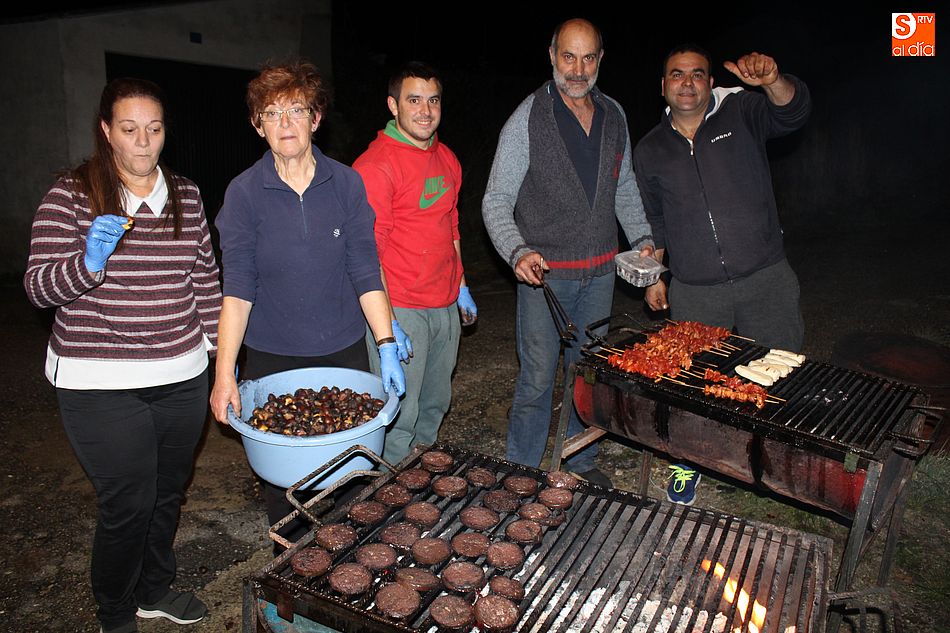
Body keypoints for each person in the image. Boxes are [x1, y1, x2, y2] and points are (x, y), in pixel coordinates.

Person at [24, 78, 220, 633]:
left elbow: (204, 280)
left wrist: (216, 360)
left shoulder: (187, 194)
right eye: (129, 130)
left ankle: (154, 589)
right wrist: (87, 264)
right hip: (98, 381)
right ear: (107, 131)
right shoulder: (69, 194)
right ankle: (114, 613)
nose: (143, 143)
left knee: (166, 495)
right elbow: (38, 288)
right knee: (128, 502)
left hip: (181, 374)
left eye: (154, 129)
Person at [210, 59, 407, 545]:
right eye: (272, 113)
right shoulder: (244, 194)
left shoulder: (345, 184)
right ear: (258, 126)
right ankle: (291, 577)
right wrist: (224, 374)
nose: (285, 124)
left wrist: (384, 342)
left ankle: (347, 569)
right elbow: (237, 290)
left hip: (342, 350)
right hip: (275, 357)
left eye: (296, 110)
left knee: (350, 480)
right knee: (286, 487)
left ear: (315, 118)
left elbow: (365, 268)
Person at [633, 45, 811, 505]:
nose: (687, 82)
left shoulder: (743, 111)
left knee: (780, 374)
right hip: (696, 288)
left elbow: (792, 113)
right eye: (677, 74)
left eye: (697, 74)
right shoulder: (650, 149)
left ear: (710, 82)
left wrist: (773, 80)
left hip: (765, 276)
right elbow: (653, 220)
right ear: (663, 85)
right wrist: (655, 275)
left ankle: (774, 464)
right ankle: (686, 465)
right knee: (691, 382)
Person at [482, 18, 654, 487]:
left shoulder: (615, 115)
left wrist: (641, 241)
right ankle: (520, 471)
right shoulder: (529, 116)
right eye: (568, 57)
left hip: (600, 273)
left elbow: (625, 190)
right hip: (545, 276)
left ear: (600, 59)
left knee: (587, 376)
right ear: (552, 55)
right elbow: (496, 198)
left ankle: (578, 461)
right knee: (538, 378)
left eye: (588, 57)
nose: (578, 69)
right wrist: (516, 250)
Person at [353, 61, 475, 466]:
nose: (425, 110)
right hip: (402, 305)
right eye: (414, 100)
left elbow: (451, 225)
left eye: (433, 100)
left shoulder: (448, 159)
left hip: (444, 305)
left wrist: (461, 284)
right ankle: (386, 495)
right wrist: (388, 324)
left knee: (436, 404)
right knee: (399, 417)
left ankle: (418, 483)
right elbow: (367, 252)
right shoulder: (376, 166)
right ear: (393, 105)